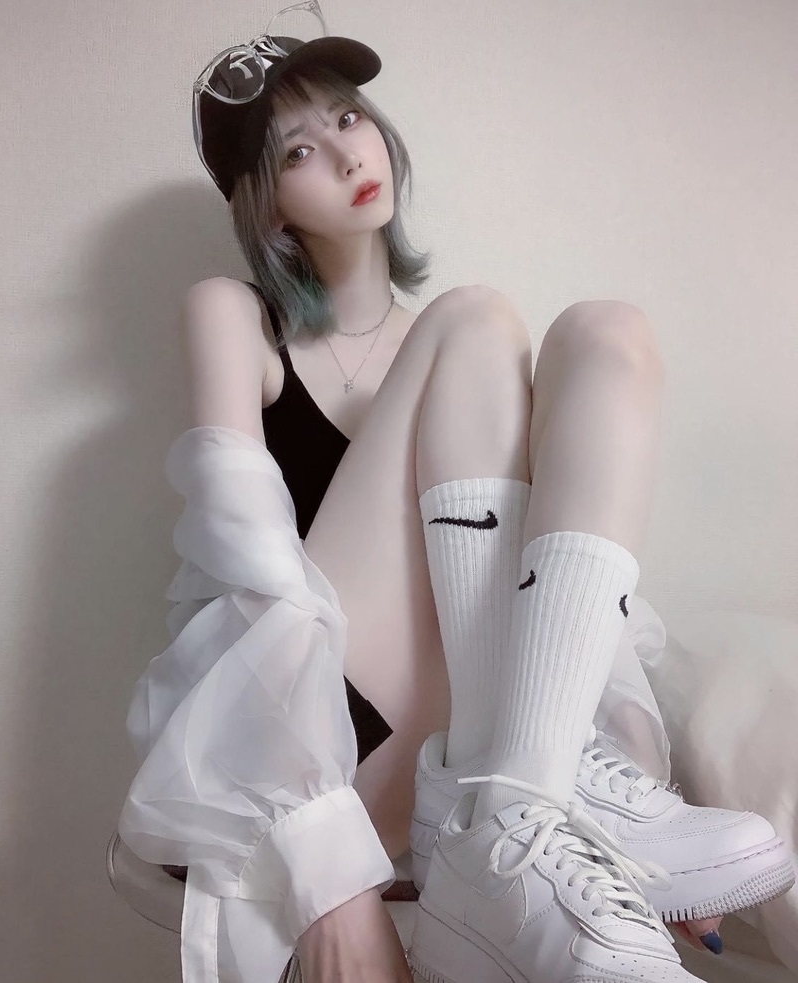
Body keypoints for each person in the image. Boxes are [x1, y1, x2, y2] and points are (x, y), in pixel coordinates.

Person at [120, 10, 795, 983]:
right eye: (299, 150)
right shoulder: (238, 317)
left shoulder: (461, 356)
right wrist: (320, 859)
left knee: (603, 334)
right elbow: (237, 563)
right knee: (476, 319)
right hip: (324, 743)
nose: (346, 152)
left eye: (348, 117)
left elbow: (560, 579)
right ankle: (518, 802)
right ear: (268, 207)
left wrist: (644, 788)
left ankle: (537, 797)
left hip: (464, 754)